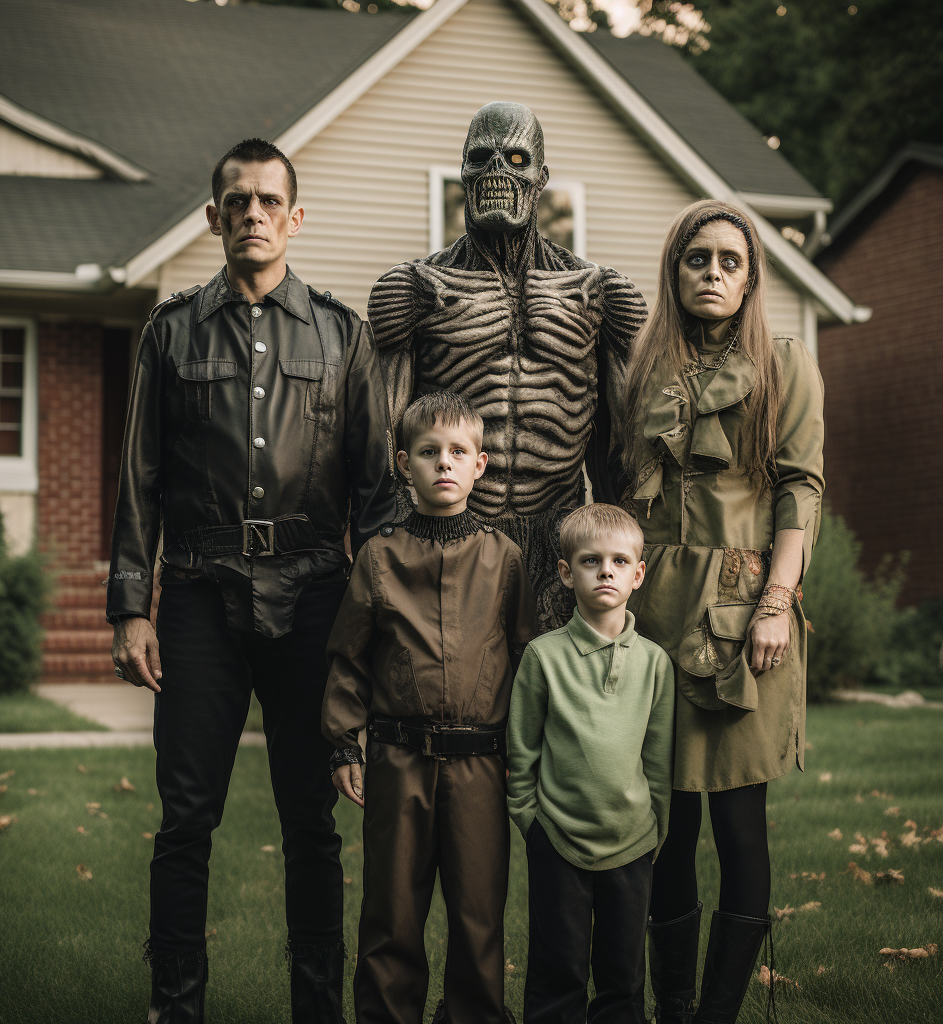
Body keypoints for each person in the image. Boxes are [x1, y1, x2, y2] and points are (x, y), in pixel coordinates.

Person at [106, 137, 396, 1024]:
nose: (254, 215)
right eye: (238, 202)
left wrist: (373, 619)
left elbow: (379, 491)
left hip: (316, 597)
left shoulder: (345, 335)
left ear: (295, 217)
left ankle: (318, 1007)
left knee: (312, 824)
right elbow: (138, 479)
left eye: (271, 201)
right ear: (214, 218)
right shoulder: (170, 331)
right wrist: (131, 607)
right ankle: (176, 1005)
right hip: (199, 591)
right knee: (187, 816)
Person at [622, 199, 825, 1023]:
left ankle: (718, 1013)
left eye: (729, 262)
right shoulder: (643, 369)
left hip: (747, 610)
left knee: (740, 822)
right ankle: (673, 1009)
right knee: (665, 826)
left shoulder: (785, 362)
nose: (713, 273)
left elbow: (800, 489)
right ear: (675, 271)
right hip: (653, 615)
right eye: (697, 259)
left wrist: (778, 602)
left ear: (751, 277)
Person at [368, 101, 647, 631]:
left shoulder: (597, 291)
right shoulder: (416, 288)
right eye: (481, 158)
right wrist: (390, 541)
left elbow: (622, 435)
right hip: (453, 528)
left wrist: (623, 537)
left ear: (541, 177)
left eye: (515, 158)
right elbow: (384, 430)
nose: (497, 171)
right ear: (464, 173)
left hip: (561, 530)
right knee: (457, 696)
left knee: (557, 693)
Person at [321, 391, 537, 1024]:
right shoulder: (379, 557)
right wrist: (342, 743)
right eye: (428, 452)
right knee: (391, 911)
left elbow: (525, 662)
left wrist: (523, 756)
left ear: (481, 464)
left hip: (482, 766)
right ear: (403, 464)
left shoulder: (505, 558)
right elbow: (348, 660)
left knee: (478, 913)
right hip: (398, 760)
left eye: (458, 452)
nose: (444, 463)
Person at [507, 503, 675, 1024]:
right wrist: (531, 820)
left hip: (632, 841)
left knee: (622, 976)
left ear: (638, 574)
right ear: (566, 572)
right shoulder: (542, 657)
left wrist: (655, 828)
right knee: (559, 970)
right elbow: (522, 751)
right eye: (591, 560)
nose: (606, 570)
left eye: (620, 561)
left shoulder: (654, 663)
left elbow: (659, 759)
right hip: (557, 838)